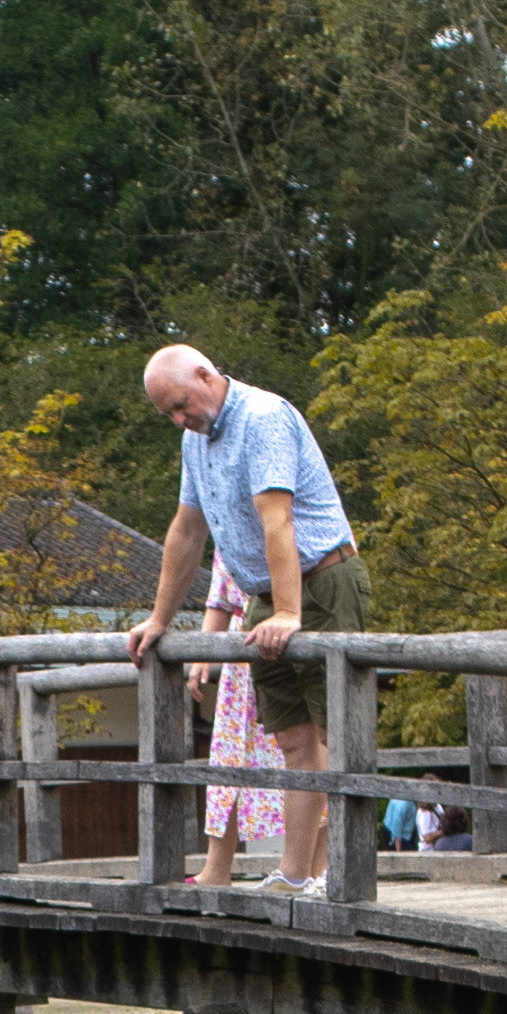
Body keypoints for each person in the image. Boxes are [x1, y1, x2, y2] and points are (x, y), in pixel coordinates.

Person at [121, 348, 375, 898]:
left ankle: (345, 874)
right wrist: (161, 620)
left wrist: (289, 612)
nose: (178, 420)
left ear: (206, 377)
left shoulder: (262, 418)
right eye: (168, 413)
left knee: (339, 733)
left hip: (322, 582)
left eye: (181, 405)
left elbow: (276, 518)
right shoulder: (195, 440)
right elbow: (188, 531)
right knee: (293, 739)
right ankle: (295, 872)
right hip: (263, 593)